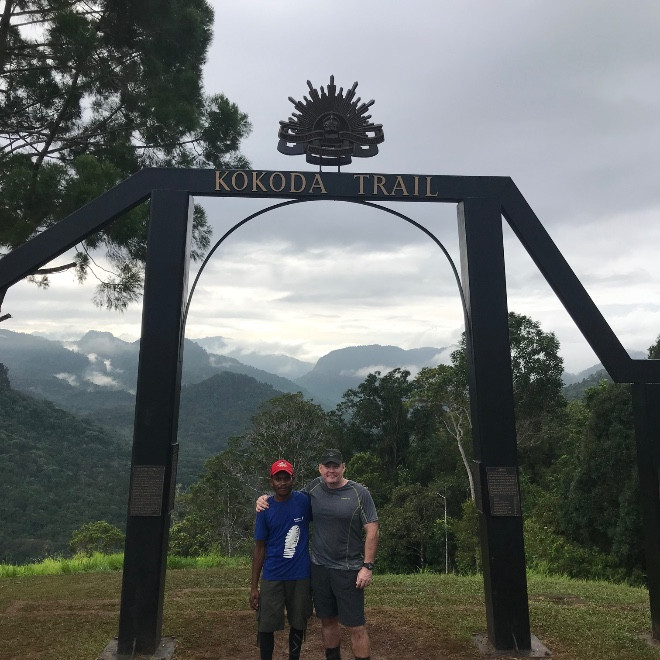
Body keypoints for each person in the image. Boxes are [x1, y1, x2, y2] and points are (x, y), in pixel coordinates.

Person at [257, 449, 379, 660]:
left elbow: (373, 530)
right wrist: (263, 499)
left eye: (336, 466)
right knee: (328, 621)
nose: (331, 470)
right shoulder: (314, 488)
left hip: (348, 570)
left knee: (355, 626)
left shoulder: (359, 493)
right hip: (320, 568)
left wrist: (367, 567)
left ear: (343, 467)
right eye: (327, 466)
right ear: (320, 469)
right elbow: (287, 497)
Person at [251, 459, 313, 660]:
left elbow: (328, 498)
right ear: (271, 481)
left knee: (298, 622)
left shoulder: (304, 501)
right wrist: (254, 586)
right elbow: (259, 548)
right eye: (278, 479)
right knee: (266, 625)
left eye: (286, 478)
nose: (283, 483)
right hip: (273, 575)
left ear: (293, 479)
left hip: (300, 574)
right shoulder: (265, 508)